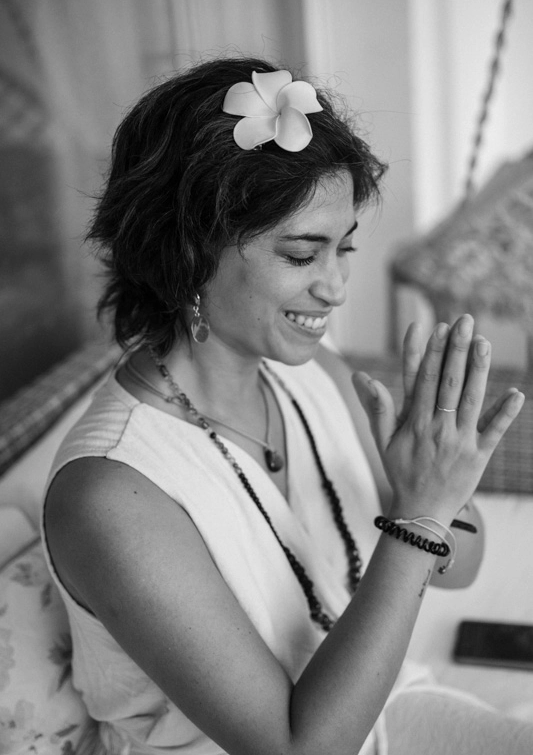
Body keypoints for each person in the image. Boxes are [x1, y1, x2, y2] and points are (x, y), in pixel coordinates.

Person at [42, 57, 532, 755]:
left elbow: (463, 565)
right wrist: (418, 517)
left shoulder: (313, 373)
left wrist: (437, 486)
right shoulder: (111, 494)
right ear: (187, 252)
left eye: (344, 249)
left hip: (391, 711)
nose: (334, 289)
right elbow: (298, 747)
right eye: (303, 256)